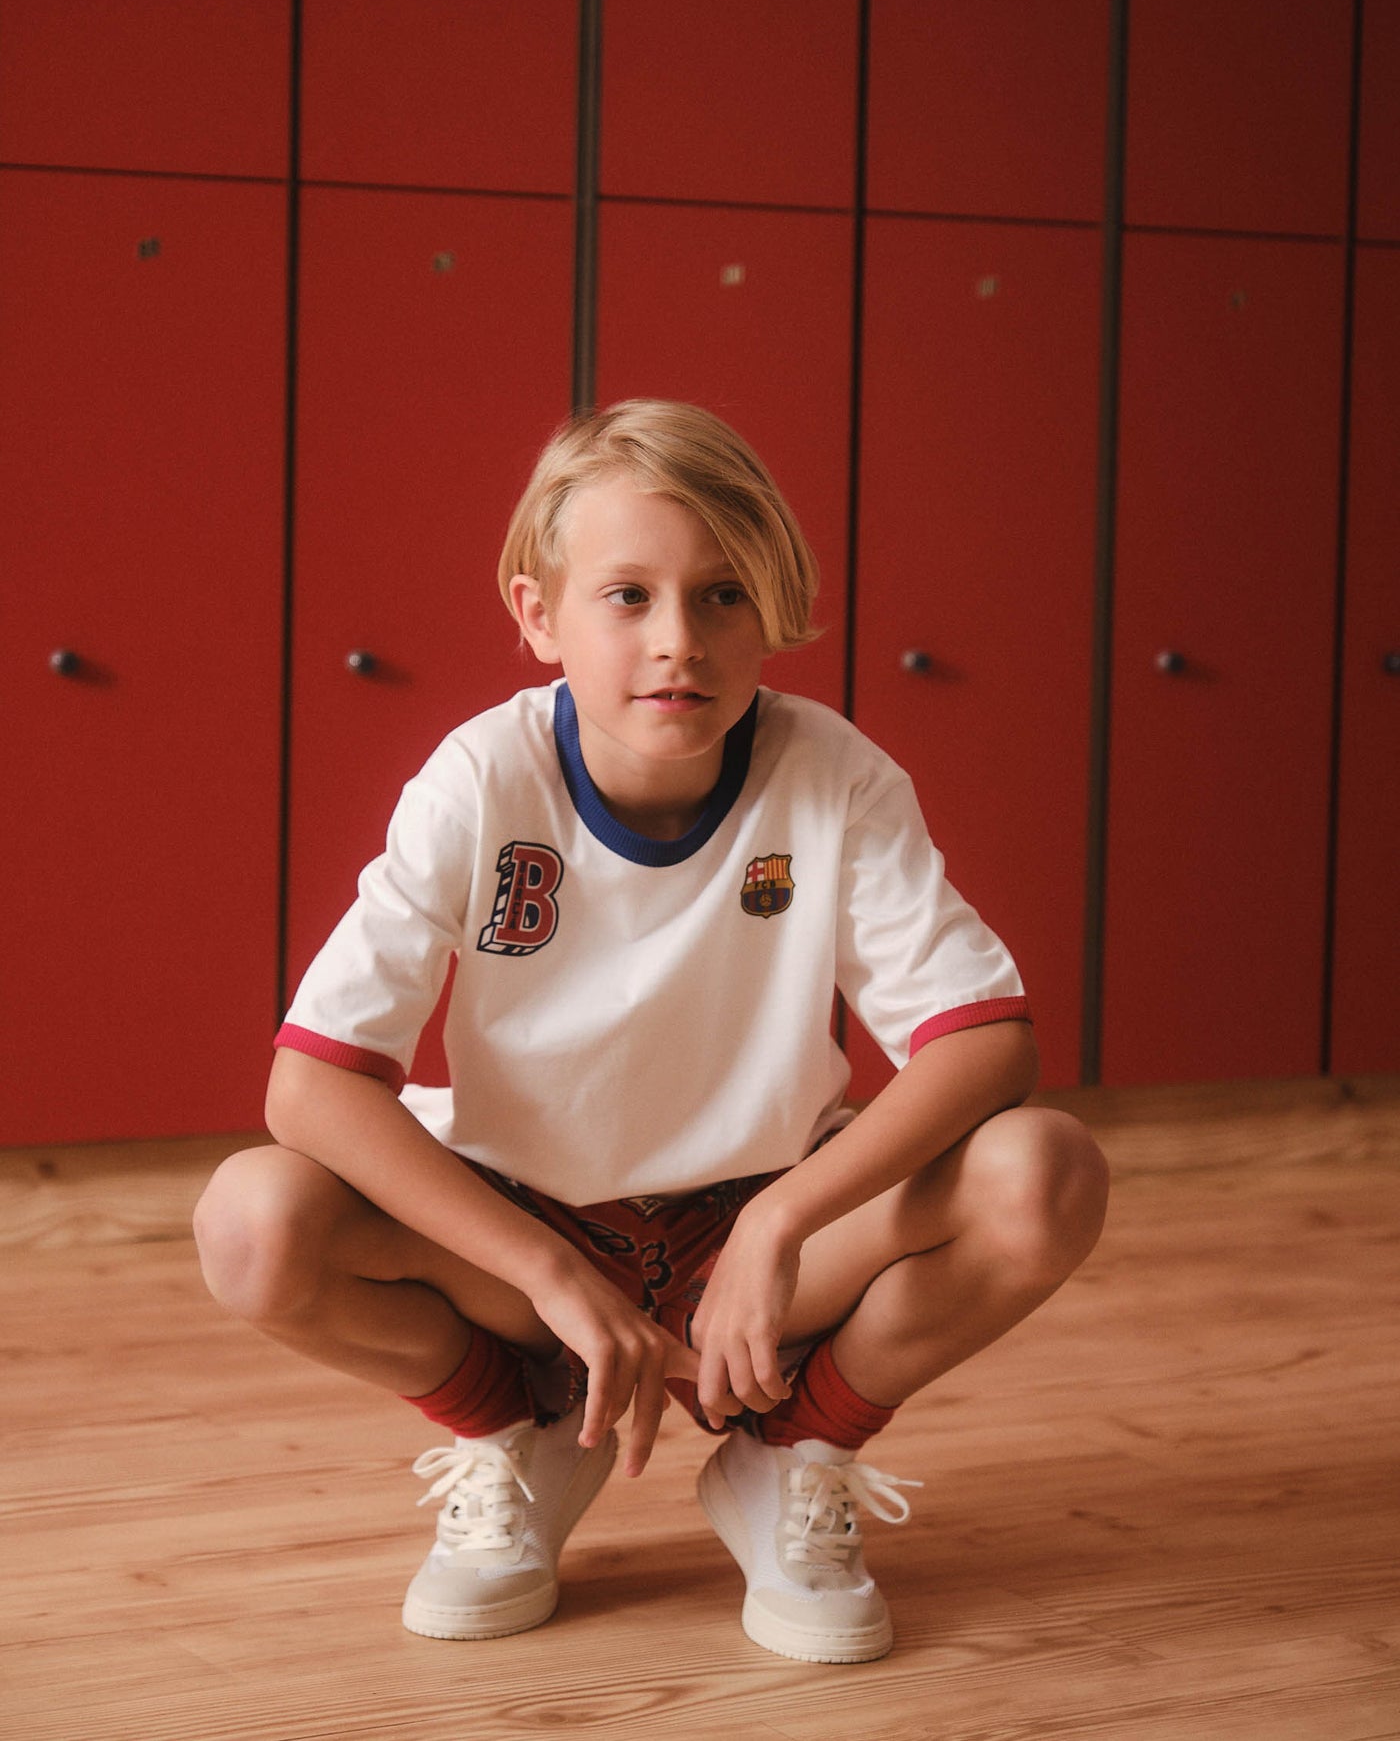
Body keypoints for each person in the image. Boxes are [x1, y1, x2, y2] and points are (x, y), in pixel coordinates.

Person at [194, 399, 1108, 1665]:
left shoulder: (830, 773)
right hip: (530, 1226)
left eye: (724, 595)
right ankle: (514, 1429)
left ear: (773, 607)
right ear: (535, 614)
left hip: (758, 1223)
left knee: (1042, 1169)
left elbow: (987, 1043)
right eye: (626, 595)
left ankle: (791, 1456)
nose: (678, 641)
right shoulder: (480, 778)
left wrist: (780, 1224)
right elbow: (312, 1088)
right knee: (252, 1221)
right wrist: (550, 1274)